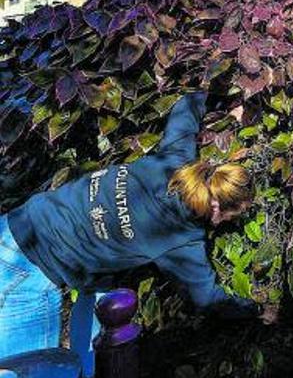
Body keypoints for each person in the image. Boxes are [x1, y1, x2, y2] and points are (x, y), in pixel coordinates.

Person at [0, 92, 275, 360]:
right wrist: (258, 310)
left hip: (15, 225)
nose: (230, 221)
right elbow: (207, 299)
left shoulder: (175, 159)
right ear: (217, 207)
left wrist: (229, 106)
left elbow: (187, 104)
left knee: (99, 306)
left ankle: (89, 365)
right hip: (29, 272)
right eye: (233, 215)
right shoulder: (182, 239)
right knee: (31, 369)